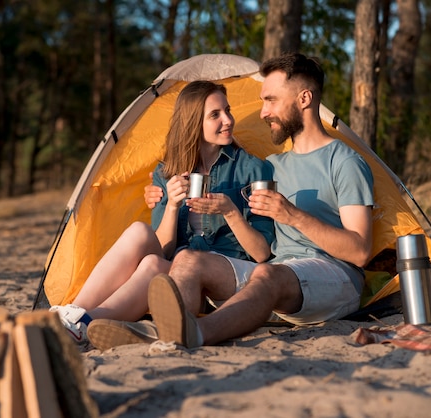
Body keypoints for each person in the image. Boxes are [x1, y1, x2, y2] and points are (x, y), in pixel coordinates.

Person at [146, 52, 375, 348]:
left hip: (333, 277)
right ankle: (170, 337)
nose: (264, 112)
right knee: (188, 260)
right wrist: (158, 193)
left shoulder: (343, 162)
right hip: (277, 273)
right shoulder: (271, 166)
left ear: (304, 99)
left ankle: (194, 334)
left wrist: (292, 215)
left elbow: (359, 252)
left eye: (271, 100)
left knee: (269, 274)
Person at [49, 80, 274, 349]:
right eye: (215, 115)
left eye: (227, 110)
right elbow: (164, 249)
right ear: (193, 123)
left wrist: (229, 211)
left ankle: (83, 323)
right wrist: (172, 205)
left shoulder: (251, 169)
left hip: (221, 272)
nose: (227, 120)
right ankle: (74, 314)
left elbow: (262, 253)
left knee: (161, 265)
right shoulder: (167, 172)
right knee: (143, 241)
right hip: (178, 273)